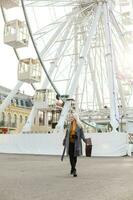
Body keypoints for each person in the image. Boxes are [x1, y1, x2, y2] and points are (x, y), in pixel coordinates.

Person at [63, 113, 86, 177]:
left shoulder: (79, 125)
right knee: (71, 156)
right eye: (70, 117)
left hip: (76, 143)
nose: (70, 118)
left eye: (72, 117)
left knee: (75, 157)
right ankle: (74, 170)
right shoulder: (69, 125)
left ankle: (72, 168)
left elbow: (82, 135)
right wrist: (64, 140)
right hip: (70, 143)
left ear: (75, 118)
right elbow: (67, 134)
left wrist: (85, 141)